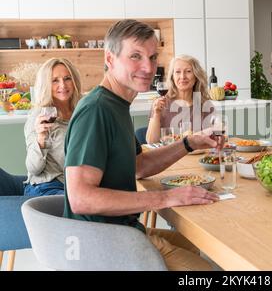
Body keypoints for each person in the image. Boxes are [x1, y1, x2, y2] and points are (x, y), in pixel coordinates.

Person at [64, 19, 221, 271]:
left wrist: (189, 142)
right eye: (135, 56)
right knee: (205, 271)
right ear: (110, 58)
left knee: (192, 245)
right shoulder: (96, 110)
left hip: (119, 230)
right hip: (102, 242)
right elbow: (81, 198)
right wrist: (165, 198)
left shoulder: (117, 104)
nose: (148, 67)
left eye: (152, 56)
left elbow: (139, 165)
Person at [23, 58, 82, 196]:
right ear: (46, 84)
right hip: (47, 187)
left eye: (67, 78)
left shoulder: (82, 111)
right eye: (55, 80)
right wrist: (41, 139)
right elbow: (34, 169)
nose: (63, 85)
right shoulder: (39, 117)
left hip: (77, 186)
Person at [146, 54, 214, 144]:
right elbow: (151, 141)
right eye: (178, 72)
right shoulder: (160, 104)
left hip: (196, 156)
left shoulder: (205, 105)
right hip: (168, 156)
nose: (182, 77)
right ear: (172, 77)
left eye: (188, 71)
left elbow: (211, 140)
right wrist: (156, 114)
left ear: (196, 76)